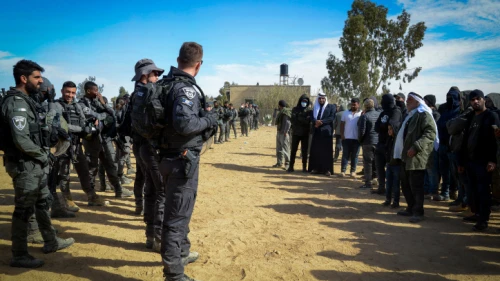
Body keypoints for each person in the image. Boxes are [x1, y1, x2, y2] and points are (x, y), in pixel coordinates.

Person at [1, 60, 74, 268]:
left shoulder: (27, 100)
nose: (41, 82)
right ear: (24, 79)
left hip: (34, 163)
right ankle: (19, 254)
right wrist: (43, 155)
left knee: (43, 202)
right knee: (23, 210)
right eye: (37, 78)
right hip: (25, 165)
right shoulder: (16, 103)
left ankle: (50, 241)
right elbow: (20, 139)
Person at [157, 42, 217, 281]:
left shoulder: (165, 84)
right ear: (199, 65)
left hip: (166, 157)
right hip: (181, 160)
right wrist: (209, 120)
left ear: (178, 59)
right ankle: (173, 274)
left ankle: (181, 252)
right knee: (176, 217)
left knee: (178, 211)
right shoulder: (186, 89)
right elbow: (185, 124)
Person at [52, 81, 106, 212]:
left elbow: (83, 120)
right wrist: (81, 128)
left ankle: (91, 196)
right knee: (64, 174)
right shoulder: (56, 106)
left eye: (73, 93)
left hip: (76, 145)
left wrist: (90, 126)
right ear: (62, 91)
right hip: (63, 146)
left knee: (84, 171)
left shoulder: (77, 106)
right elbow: (61, 126)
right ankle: (67, 199)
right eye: (67, 92)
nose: (70, 95)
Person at [129, 58, 166, 250]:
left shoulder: (135, 94)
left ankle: (151, 235)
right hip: (151, 148)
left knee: (151, 191)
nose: (158, 77)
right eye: (155, 74)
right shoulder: (149, 94)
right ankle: (159, 238)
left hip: (141, 148)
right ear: (145, 75)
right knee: (162, 192)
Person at [78, 82, 133, 198]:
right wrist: (101, 116)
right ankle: (91, 195)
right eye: (96, 90)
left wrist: (103, 104)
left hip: (104, 138)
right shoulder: (81, 104)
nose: (98, 93)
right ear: (88, 91)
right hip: (91, 140)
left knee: (111, 165)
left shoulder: (97, 102)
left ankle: (118, 191)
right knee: (92, 167)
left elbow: (112, 114)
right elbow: (90, 115)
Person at [459, 90, 500, 231]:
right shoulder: (470, 117)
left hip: (484, 162)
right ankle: (476, 214)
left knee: (483, 191)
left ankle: (483, 219)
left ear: (483, 100)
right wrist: (462, 162)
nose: (475, 101)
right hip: (470, 160)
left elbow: (495, 142)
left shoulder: (491, 116)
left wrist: (492, 160)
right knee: (473, 190)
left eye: (478, 99)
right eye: (472, 100)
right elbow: (465, 140)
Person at [395, 93, 437, 223]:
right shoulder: (410, 115)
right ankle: (410, 207)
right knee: (405, 183)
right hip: (405, 155)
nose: (407, 102)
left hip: (417, 156)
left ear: (418, 102)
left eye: (410, 100)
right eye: (407, 99)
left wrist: (416, 146)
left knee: (416, 185)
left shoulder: (424, 115)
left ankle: (418, 212)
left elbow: (430, 133)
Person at [375, 94, 402, 195]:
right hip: (381, 143)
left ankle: (392, 191)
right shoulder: (383, 113)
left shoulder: (396, 111)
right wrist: (384, 126)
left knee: (391, 169)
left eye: (383, 100)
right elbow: (376, 127)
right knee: (379, 166)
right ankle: (381, 187)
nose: (381, 102)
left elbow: (392, 126)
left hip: (391, 145)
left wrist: (384, 126)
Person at [308, 92, 336, 176]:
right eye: (320, 98)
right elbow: (312, 117)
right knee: (316, 151)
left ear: (325, 99)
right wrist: (315, 122)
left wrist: (322, 122)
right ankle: (316, 168)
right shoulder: (315, 108)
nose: (321, 100)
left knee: (326, 151)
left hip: (326, 133)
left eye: (323, 98)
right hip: (316, 131)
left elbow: (331, 117)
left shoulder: (331, 107)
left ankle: (327, 170)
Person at [358, 98, 380, 189]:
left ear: (365, 106)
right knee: (378, 163)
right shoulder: (379, 114)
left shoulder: (364, 116)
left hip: (368, 142)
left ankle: (368, 183)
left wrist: (360, 140)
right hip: (378, 142)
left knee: (368, 163)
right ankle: (379, 181)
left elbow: (362, 131)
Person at [423, 95, 441, 199]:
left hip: (433, 145)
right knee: (426, 169)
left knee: (432, 170)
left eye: (425, 101)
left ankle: (433, 191)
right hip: (425, 146)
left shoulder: (435, 114)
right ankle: (426, 189)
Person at [288, 94, 311, 172]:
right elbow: (293, 120)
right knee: (293, 150)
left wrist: (299, 118)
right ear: (300, 101)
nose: (304, 103)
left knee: (304, 151)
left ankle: (304, 167)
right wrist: (303, 119)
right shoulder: (295, 109)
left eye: (305, 101)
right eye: (303, 101)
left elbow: (308, 121)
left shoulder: (309, 111)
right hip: (296, 133)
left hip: (305, 134)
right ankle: (291, 166)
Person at [340, 98, 362, 177]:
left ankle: (353, 171)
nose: (353, 106)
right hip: (346, 138)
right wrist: (342, 134)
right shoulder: (346, 113)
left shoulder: (361, 114)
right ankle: (343, 171)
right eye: (352, 104)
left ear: (358, 105)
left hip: (357, 139)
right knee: (345, 154)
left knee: (355, 156)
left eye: (354, 104)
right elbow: (342, 124)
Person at [383, 124, 402, 208]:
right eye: (388, 129)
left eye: (391, 129)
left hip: (397, 165)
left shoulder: (398, 140)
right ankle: (388, 200)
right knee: (388, 183)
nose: (389, 131)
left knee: (396, 184)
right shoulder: (389, 139)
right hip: (389, 164)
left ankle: (396, 202)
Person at [273, 100, 291, 169]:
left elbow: (288, 123)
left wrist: (286, 132)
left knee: (286, 149)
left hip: (284, 133)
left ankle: (287, 164)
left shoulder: (285, 112)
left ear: (279, 105)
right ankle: (279, 162)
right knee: (279, 149)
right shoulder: (281, 112)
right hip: (279, 132)